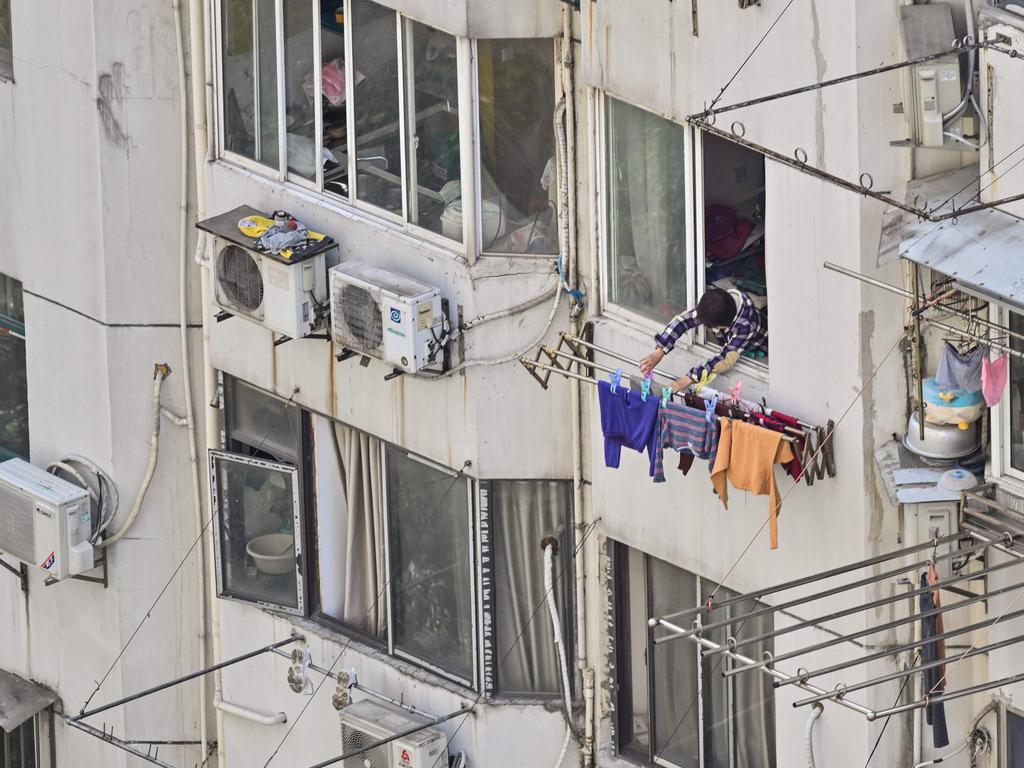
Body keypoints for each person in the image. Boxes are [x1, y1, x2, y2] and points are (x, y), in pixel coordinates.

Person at [639, 287, 768, 392]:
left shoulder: (747, 325)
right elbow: (684, 321)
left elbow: (724, 359)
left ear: (723, 326)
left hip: (762, 353)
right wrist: (660, 351)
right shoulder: (719, 303)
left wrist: (688, 379)